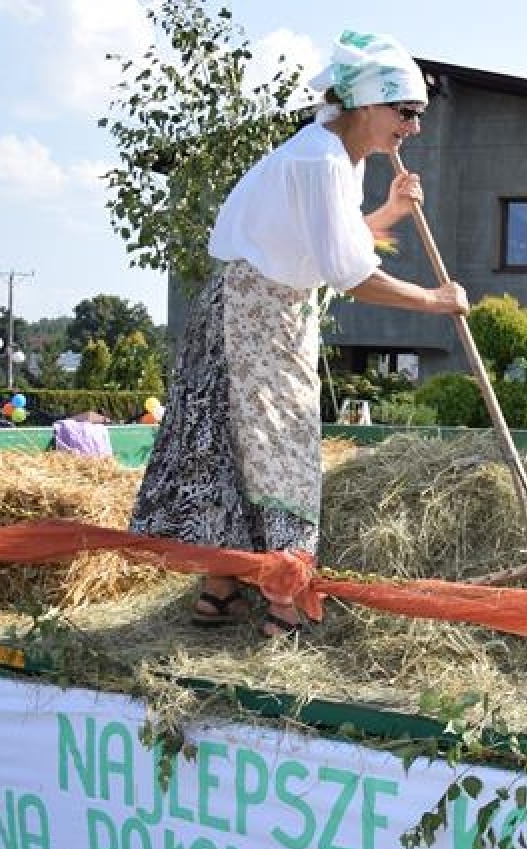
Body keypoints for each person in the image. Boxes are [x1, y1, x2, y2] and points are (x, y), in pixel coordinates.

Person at [129, 31, 469, 639]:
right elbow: (349, 273)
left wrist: (388, 213)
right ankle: (284, 607)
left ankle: (221, 589)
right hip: (259, 315)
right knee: (282, 445)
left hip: (252, 307)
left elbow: (326, 242)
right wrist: (434, 301)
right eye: (406, 112)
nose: (413, 127)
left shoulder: (332, 157)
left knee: (233, 441)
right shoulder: (321, 160)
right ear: (367, 103)